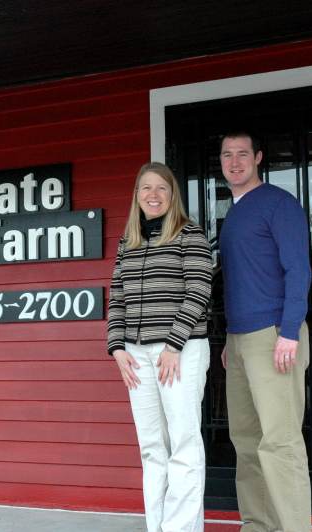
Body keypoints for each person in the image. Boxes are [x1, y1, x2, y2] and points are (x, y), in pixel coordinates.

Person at [108, 162, 212, 532]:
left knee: (183, 443)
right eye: (145, 188)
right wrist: (117, 347)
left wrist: (173, 343)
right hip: (136, 355)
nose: (153, 195)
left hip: (179, 353)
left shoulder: (190, 234)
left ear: (173, 195)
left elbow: (199, 289)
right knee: (152, 447)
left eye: (161, 189)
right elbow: (117, 296)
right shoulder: (128, 242)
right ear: (136, 195)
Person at [218, 131, 312, 531]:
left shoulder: (279, 203)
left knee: (281, 441)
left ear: (257, 158)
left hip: (274, 335)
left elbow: (299, 270)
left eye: (242, 154)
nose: (235, 161)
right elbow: (239, 281)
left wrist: (289, 332)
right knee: (246, 441)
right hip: (240, 340)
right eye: (227, 155)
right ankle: (258, 526)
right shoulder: (234, 212)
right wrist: (228, 339)